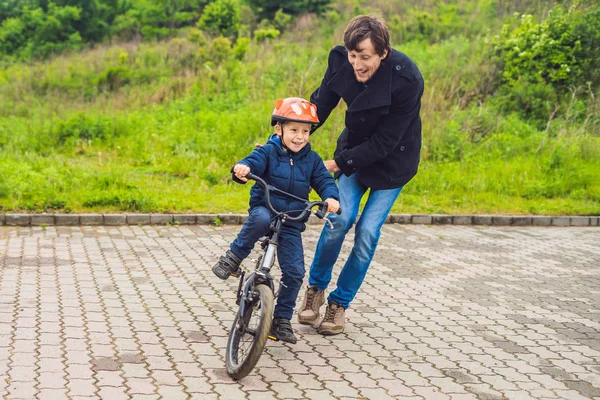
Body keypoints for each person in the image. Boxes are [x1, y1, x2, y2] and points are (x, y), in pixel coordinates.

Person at [297, 15, 424, 335]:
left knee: (367, 232)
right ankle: (315, 290)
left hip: (393, 163)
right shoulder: (342, 62)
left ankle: (339, 305)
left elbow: (386, 141)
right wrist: (285, 140)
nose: (357, 63)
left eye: (365, 56)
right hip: (355, 152)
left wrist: (337, 164)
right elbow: (318, 107)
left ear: (383, 52)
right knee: (339, 219)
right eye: (353, 55)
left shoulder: (407, 79)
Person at [212, 97, 340, 344]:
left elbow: (324, 180)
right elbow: (252, 162)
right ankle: (233, 257)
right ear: (278, 129)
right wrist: (242, 169)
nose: (300, 136)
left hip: (292, 219)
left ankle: (280, 319)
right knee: (259, 218)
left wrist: (331, 197)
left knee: (295, 272)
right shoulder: (268, 152)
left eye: (305, 131)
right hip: (266, 208)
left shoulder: (312, 160)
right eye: (293, 130)